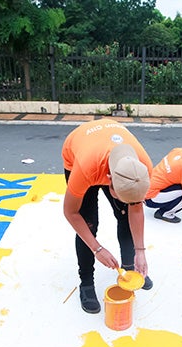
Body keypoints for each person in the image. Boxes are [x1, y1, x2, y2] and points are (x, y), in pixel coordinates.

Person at [62, 118, 154, 314]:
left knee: (124, 215)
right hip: (79, 150)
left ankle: (129, 269)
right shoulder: (87, 169)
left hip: (106, 151)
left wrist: (140, 251)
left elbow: (135, 208)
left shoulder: (142, 168)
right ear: (109, 181)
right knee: (89, 223)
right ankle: (86, 282)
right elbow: (70, 212)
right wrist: (97, 249)